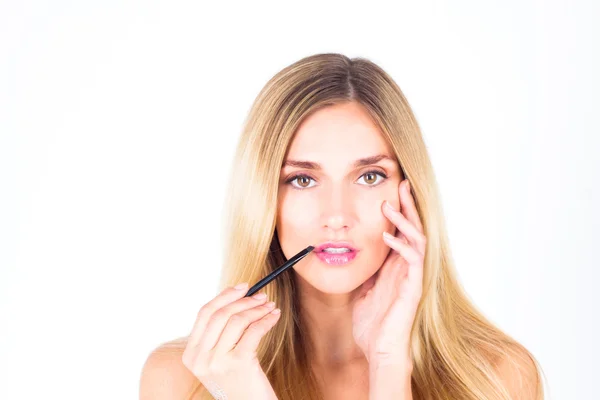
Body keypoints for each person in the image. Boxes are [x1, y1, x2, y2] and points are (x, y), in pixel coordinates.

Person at [139, 53, 546, 400]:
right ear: (263, 197)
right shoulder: (181, 381)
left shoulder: (494, 377)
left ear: (411, 191)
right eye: (303, 179)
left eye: (369, 176)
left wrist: (389, 364)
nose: (336, 216)